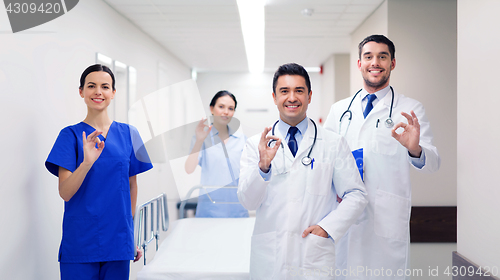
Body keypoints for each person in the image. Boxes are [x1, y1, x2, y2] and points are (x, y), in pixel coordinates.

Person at [324, 35, 441, 279]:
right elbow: (326, 162)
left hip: (385, 221)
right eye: (368, 57)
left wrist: (414, 149)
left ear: (393, 63)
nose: (374, 62)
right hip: (345, 216)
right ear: (359, 64)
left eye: (382, 56)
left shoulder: (410, 109)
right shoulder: (339, 110)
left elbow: (433, 164)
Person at [238, 63, 368, 279]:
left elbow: (357, 194)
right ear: (274, 97)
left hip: (313, 255)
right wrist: (263, 168)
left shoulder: (333, 143)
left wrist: (327, 228)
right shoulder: (255, 145)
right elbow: (247, 202)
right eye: (284, 91)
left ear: (309, 95)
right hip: (272, 258)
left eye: (299, 91)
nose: (292, 98)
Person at [45, 64, 153, 280]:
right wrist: (86, 163)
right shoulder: (70, 136)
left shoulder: (130, 134)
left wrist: (130, 236)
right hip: (81, 241)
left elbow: (132, 186)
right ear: (81, 92)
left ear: (113, 93)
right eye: (91, 86)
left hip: (118, 240)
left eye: (105, 86)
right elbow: (65, 192)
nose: (98, 92)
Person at [185, 90, 248, 217]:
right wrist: (199, 140)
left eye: (231, 108)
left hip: (236, 207)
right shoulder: (202, 138)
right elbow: (189, 169)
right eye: (221, 107)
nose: (226, 112)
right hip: (210, 208)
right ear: (212, 109)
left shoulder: (241, 139)